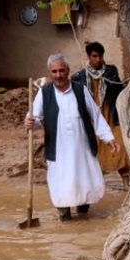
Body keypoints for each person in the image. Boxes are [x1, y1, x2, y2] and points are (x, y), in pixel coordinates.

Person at [25, 54, 120, 221]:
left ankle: (83, 216)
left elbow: (96, 116)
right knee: (61, 184)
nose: (58, 75)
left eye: (61, 70)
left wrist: (109, 138)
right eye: (54, 71)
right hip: (58, 149)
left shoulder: (80, 89)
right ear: (50, 73)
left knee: (84, 184)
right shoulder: (44, 93)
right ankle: (64, 216)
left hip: (82, 149)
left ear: (68, 71)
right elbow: (36, 120)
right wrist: (30, 122)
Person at [70, 42, 130, 190]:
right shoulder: (79, 77)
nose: (98, 59)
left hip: (110, 115)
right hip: (91, 119)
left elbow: (118, 91)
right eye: (94, 56)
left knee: (120, 146)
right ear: (89, 57)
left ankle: (126, 183)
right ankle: (95, 186)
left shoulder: (111, 72)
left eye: (100, 56)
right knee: (93, 150)